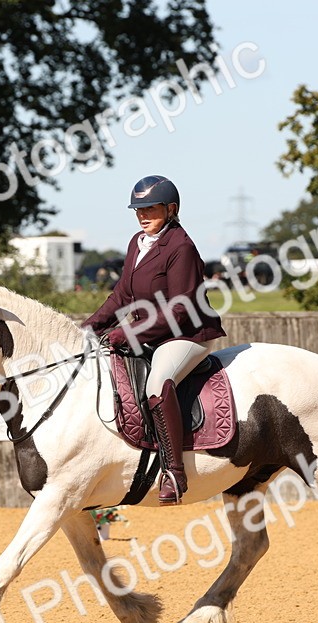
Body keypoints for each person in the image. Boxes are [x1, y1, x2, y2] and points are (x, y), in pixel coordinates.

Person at [82, 175, 226, 505]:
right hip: (150, 332)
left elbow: (179, 308)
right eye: (138, 209)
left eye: (150, 208)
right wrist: (88, 329)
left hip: (185, 334)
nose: (143, 215)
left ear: (171, 209)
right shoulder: (137, 242)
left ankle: (175, 472)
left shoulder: (181, 247)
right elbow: (122, 295)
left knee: (157, 384)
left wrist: (127, 333)